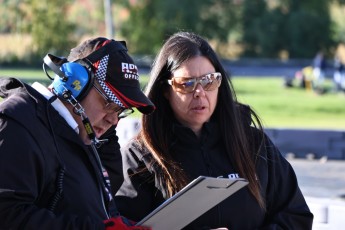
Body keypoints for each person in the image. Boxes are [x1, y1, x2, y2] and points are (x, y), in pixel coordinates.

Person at [114, 32, 314, 229]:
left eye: (209, 80)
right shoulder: (140, 157)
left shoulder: (254, 144)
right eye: (187, 84)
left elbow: (296, 216)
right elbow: (124, 225)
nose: (200, 93)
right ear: (165, 90)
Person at [0, 37, 154, 229]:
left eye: (121, 110)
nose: (114, 120)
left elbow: (97, 210)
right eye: (110, 104)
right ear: (74, 82)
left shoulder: (80, 133)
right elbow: (7, 216)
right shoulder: (16, 121)